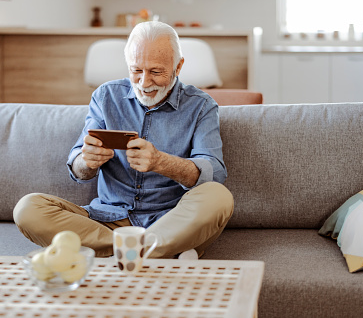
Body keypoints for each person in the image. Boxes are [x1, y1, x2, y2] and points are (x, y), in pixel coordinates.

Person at [13, 21, 233, 259]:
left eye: (156, 72)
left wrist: (161, 162)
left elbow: (215, 174)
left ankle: (135, 249)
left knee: (218, 197)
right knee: (28, 209)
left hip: (171, 220)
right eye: (136, 70)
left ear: (178, 66)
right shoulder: (105, 96)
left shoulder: (202, 106)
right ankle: (157, 251)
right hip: (106, 221)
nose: (144, 82)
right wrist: (87, 161)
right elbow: (78, 169)